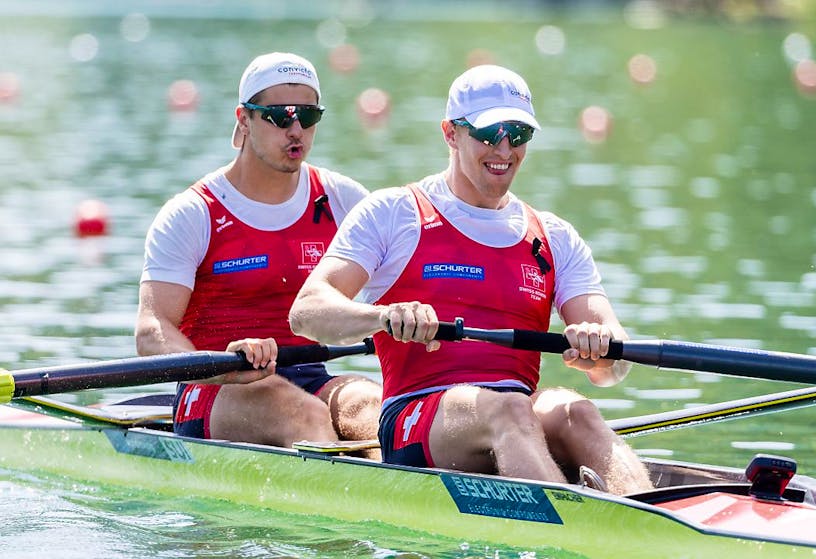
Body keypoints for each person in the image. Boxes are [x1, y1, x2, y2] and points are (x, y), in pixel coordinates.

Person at [288, 64, 651, 494]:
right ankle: (576, 527)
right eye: (488, 132)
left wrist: (602, 351)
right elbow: (306, 312)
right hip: (416, 420)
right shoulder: (394, 213)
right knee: (511, 410)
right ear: (450, 133)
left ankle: (653, 522)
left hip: (514, 415)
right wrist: (383, 316)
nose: (504, 148)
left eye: (517, 134)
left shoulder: (553, 235)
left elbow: (615, 366)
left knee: (578, 411)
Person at [135, 52, 381, 454]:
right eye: (280, 116)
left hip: (312, 376)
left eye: (308, 116)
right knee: (305, 415)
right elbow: (151, 332)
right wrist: (219, 365)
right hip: (215, 388)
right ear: (244, 119)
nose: (296, 129)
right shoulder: (194, 213)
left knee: (372, 408)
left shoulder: (344, 200)